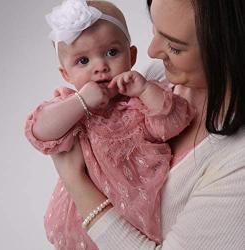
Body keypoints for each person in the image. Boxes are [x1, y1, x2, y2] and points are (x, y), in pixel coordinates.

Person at [48, 0, 245, 249]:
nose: (151, 51)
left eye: (174, 47)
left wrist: (74, 180)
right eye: (155, 30)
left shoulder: (238, 164)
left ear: (230, 50)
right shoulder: (156, 79)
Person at [24, 0, 196, 249]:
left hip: (137, 221)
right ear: (66, 74)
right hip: (80, 221)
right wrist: (81, 102)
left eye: (112, 52)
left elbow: (174, 123)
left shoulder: (140, 100)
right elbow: (37, 131)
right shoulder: (70, 107)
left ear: (132, 55)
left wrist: (146, 90)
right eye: (83, 61)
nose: (100, 67)